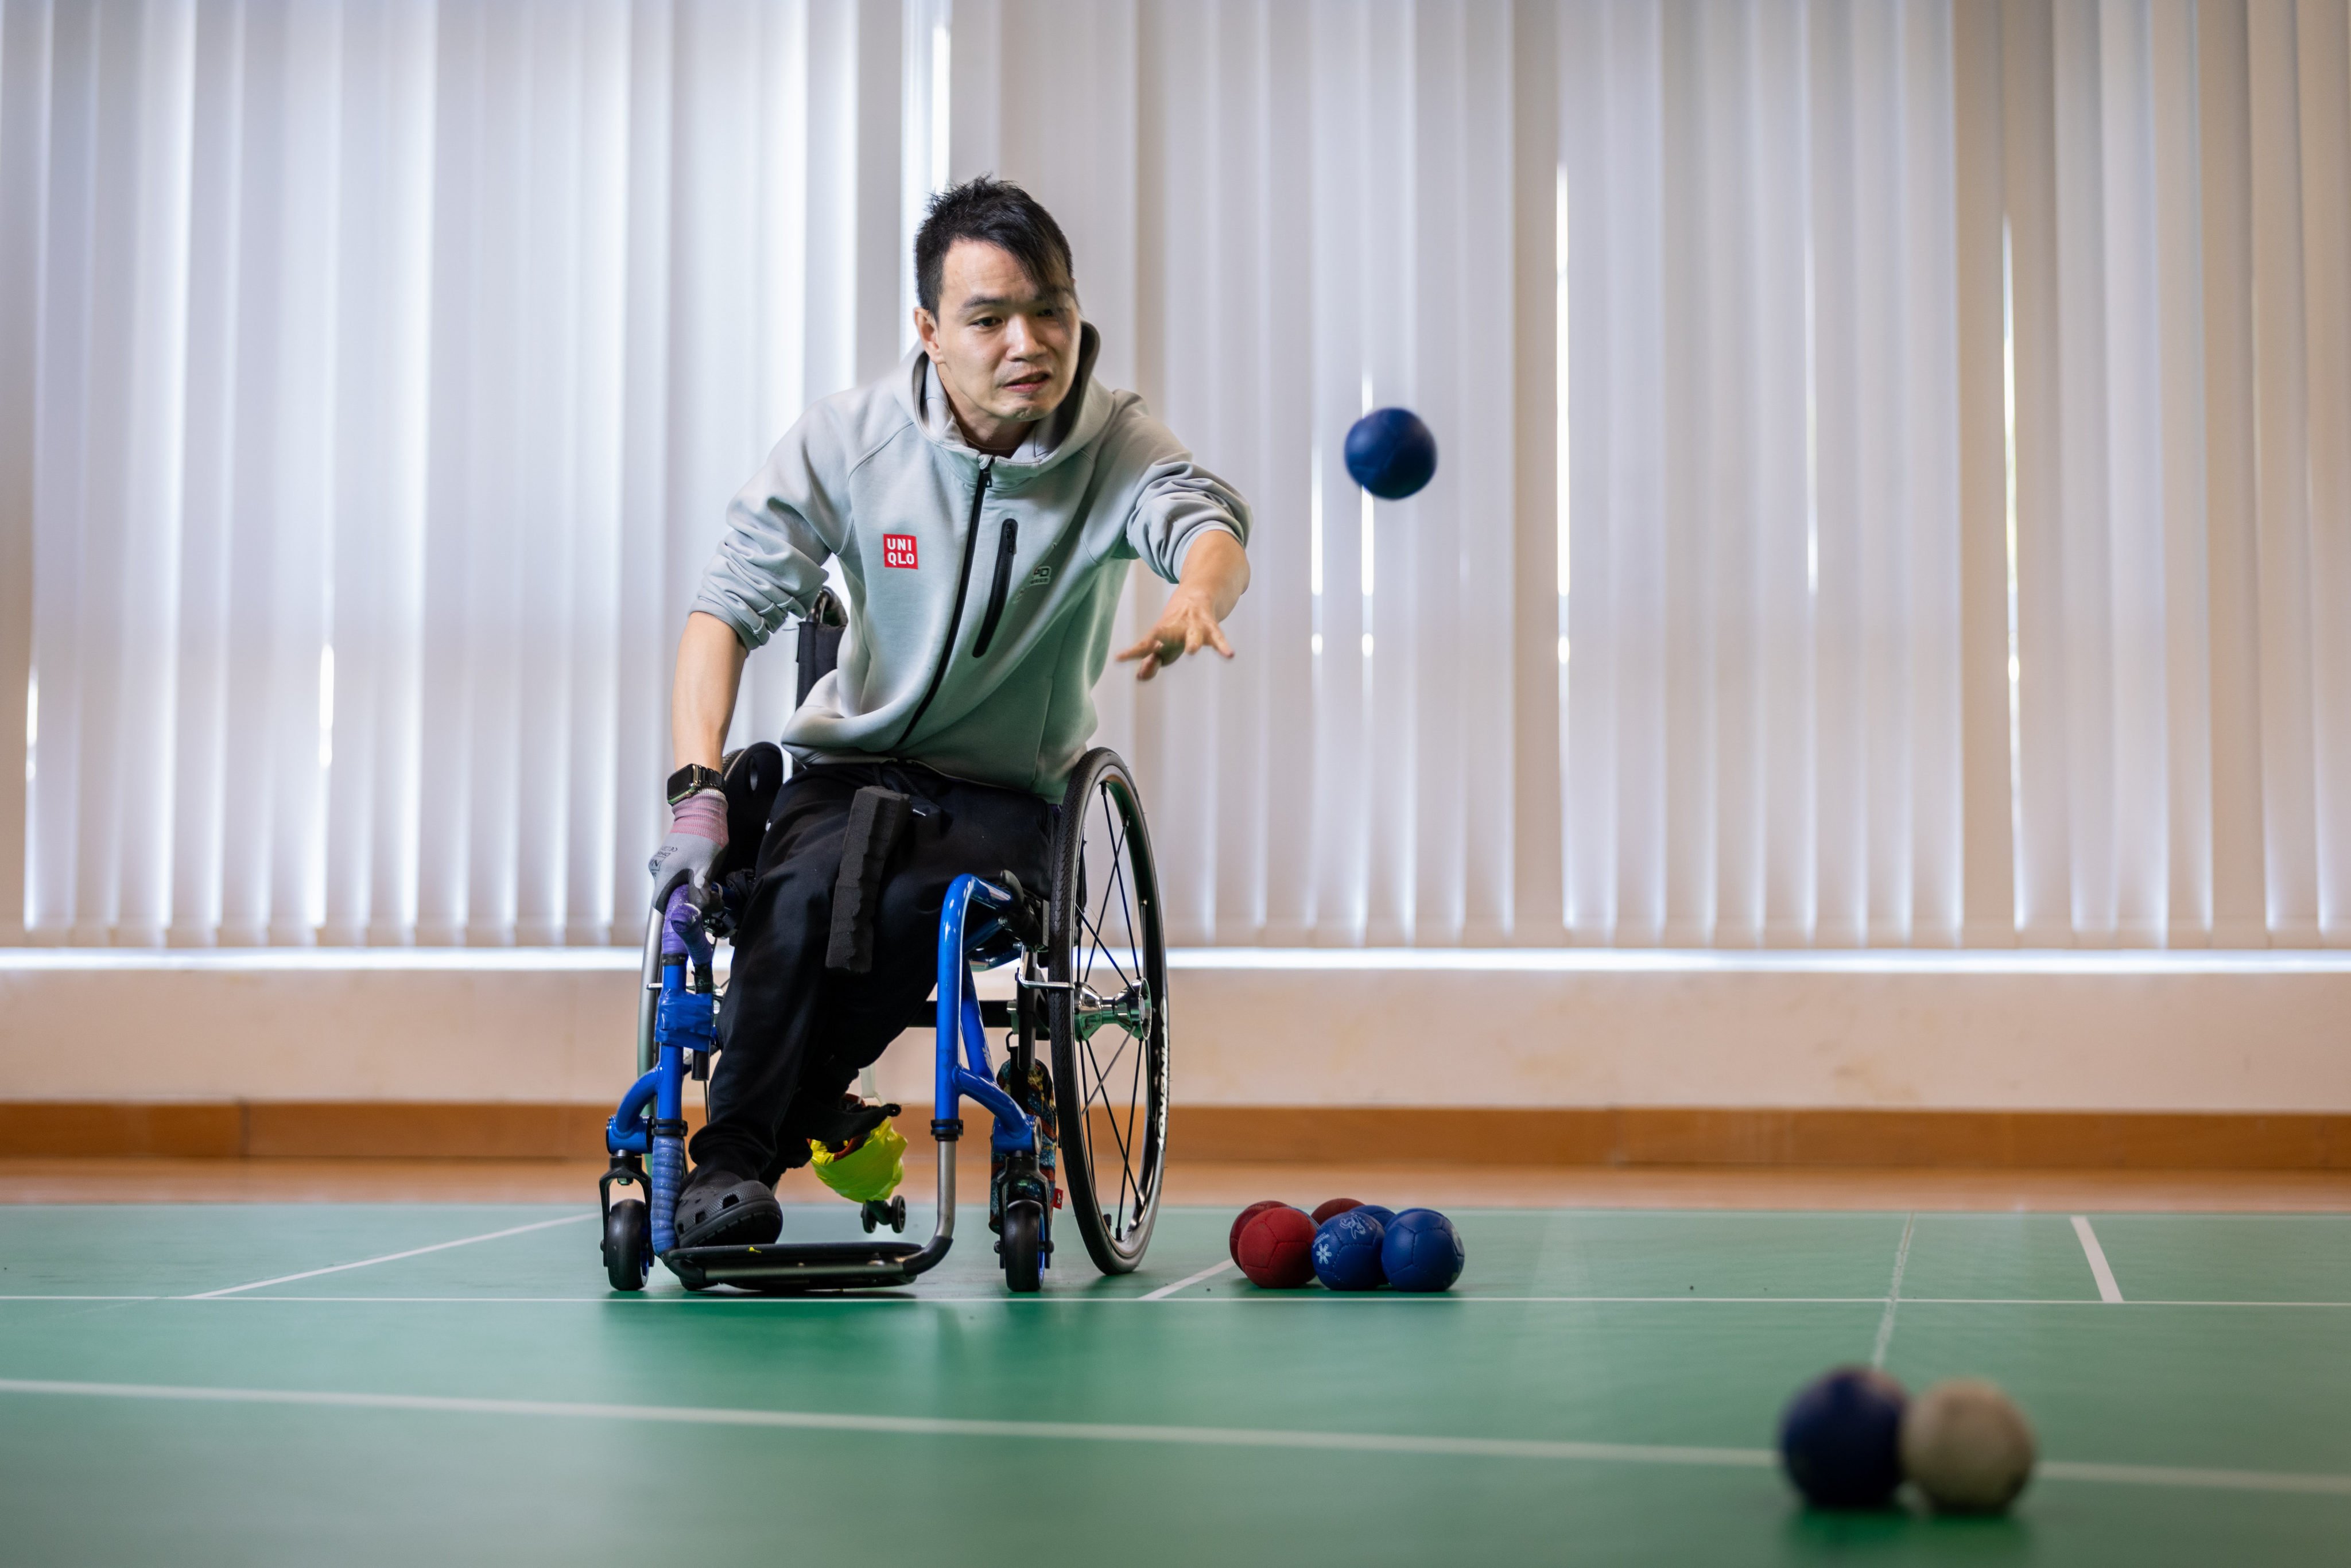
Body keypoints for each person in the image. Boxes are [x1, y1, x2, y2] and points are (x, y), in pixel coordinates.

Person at [646, 177, 1252, 1248]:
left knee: (896, 914)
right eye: (988, 318)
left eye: (1050, 310)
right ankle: (747, 1162)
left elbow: (1200, 519)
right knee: (793, 901)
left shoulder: (1115, 444)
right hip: (850, 771)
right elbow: (724, 608)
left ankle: (739, 1154)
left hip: (1004, 793)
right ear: (930, 331)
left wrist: (1199, 592)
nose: (1029, 342)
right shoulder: (854, 439)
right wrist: (697, 792)